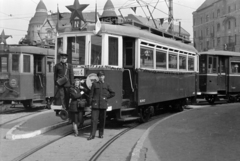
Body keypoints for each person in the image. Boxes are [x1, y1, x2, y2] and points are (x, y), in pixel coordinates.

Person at [87, 71, 115, 140]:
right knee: (94, 120)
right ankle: (92, 135)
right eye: (99, 76)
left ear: (104, 77)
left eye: (102, 76)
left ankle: (101, 134)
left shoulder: (106, 84)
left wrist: (106, 97)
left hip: (103, 105)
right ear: (98, 77)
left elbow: (113, 93)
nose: (101, 77)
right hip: (95, 105)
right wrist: (90, 104)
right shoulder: (94, 84)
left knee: (102, 120)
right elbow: (91, 95)